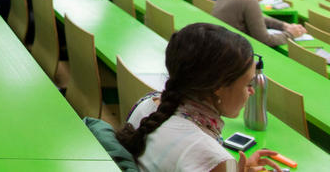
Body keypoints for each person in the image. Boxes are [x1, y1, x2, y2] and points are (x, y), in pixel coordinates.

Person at [117, 22, 286, 172]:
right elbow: (199, 157)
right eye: (248, 85)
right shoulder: (209, 156)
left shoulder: (147, 103)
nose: (252, 92)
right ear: (219, 87)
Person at [212, 0, 305, 47]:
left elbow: (256, 18)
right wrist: (290, 34)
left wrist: (283, 25)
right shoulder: (249, 0)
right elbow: (265, 40)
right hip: (231, 48)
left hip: (219, 42)